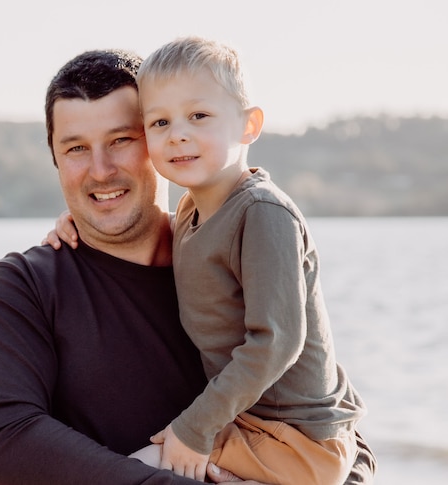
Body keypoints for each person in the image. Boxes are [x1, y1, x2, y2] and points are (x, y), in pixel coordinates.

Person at [0, 49, 376, 484]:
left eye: (121, 139)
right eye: (76, 148)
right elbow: (1, 448)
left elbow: (337, 426)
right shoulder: (22, 287)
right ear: (55, 159)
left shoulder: (234, 246)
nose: (100, 171)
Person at [124, 37, 366, 484]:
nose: (178, 132)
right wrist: (73, 226)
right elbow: (138, 237)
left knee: (133, 473)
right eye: (159, 121)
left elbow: (277, 341)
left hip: (298, 440)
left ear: (248, 124)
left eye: (199, 116)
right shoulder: (190, 212)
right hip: (247, 421)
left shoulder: (261, 213)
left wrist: (193, 429)